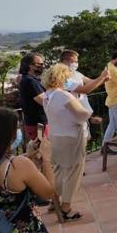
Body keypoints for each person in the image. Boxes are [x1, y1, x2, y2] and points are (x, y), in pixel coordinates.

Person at [42, 63, 92, 220]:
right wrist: (89, 113)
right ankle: (66, 207)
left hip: (56, 136)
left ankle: (54, 201)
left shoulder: (47, 96)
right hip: (71, 136)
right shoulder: (63, 95)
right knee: (73, 171)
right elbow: (81, 114)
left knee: (59, 170)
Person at [18, 52, 47, 140]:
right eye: (40, 64)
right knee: (41, 149)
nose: (43, 66)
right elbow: (44, 101)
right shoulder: (30, 81)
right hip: (38, 124)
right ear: (30, 66)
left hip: (37, 122)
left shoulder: (31, 80)